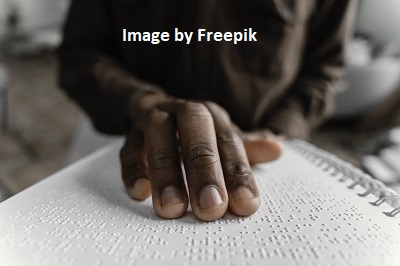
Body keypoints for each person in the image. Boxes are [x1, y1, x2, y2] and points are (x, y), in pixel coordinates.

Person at [57, 0, 357, 221]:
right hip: (125, 133)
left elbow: (325, 67)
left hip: (260, 151)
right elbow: (80, 54)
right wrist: (141, 102)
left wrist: (279, 130)